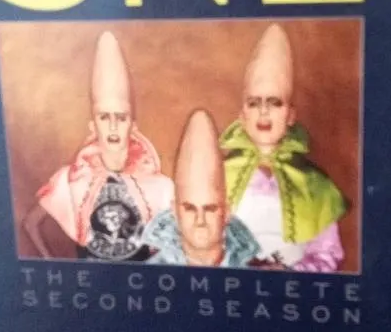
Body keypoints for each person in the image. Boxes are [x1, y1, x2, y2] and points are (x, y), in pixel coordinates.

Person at [23, 31, 173, 260]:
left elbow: (178, 238)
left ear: (133, 126)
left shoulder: (160, 186)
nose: (113, 126)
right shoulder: (72, 180)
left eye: (121, 118)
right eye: (104, 117)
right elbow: (31, 223)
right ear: (93, 126)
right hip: (94, 278)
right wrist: (49, 259)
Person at [219, 23, 349, 271]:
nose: (264, 112)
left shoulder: (315, 183)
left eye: (275, 102)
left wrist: (288, 274)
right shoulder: (217, 176)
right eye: (254, 103)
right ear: (242, 116)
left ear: (290, 115)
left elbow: (327, 255)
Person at [143, 109, 260, 267]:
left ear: (226, 212)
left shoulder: (255, 276)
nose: (200, 221)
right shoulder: (150, 274)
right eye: (190, 208)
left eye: (210, 209)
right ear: (175, 211)